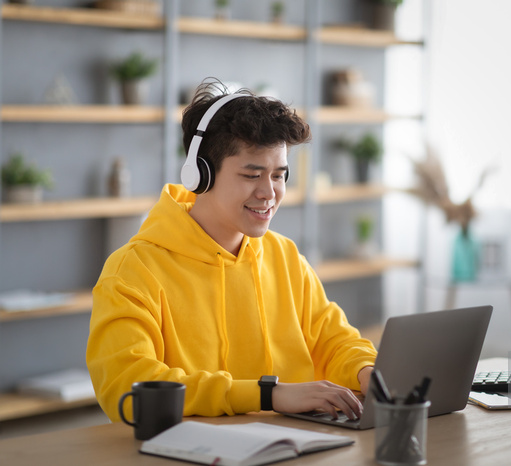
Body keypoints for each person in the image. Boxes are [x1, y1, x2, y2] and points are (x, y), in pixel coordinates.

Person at [86, 80, 377, 423]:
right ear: (200, 175)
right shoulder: (132, 270)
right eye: (252, 174)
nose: (269, 193)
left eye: (279, 176)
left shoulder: (284, 257)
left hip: (296, 446)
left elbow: (333, 340)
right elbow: (129, 388)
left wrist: (366, 371)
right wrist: (268, 395)